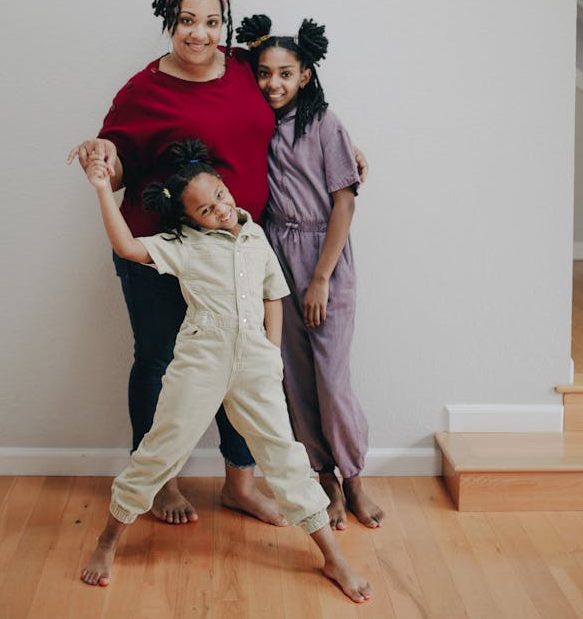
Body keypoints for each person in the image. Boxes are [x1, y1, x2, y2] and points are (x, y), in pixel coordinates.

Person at [68, 0, 367, 526]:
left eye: (211, 22)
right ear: (169, 20)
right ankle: (162, 484)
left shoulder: (243, 70)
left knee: (245, 360)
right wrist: (105, 155)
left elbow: (295, 105)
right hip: (164, 254)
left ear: (224, 24)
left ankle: (240, 484)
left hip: (240, 253)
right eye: (187, 21)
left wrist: (344, 154)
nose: (199, 34)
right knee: (157, 362)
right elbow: (120, 155)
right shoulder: (143, 89)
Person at [78, 139, 372, 604]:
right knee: (161, 449)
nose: (218, 208)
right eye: (203, 209)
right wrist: (101, 191)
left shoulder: (256, 237)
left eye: (218, 194)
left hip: (255, 361)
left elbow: (273, 293)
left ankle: (332, 556)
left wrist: (271, 355)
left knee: (284, 455)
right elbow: (128, 247)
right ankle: (108, 541)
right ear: (188, 220)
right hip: (202, 359)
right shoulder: (183, 246)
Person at [236, 14, 384, 532]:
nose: (272, 82)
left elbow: (344, 203)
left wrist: (320, 278)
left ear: (305, 75)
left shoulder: (325, 124)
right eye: (263, 72)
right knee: (294, 379)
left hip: (323, 256)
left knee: (331, 379)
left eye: (285, 72)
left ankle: (355, 478)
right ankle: (324, 479)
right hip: (276, 253)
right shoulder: (255, 121)